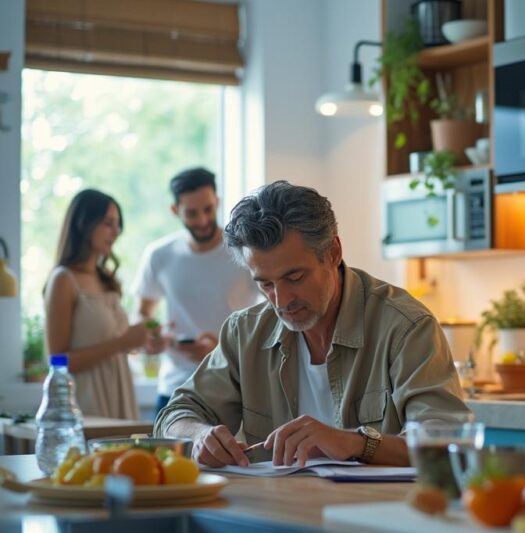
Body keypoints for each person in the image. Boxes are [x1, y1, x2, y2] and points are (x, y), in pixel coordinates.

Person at [154, 181, 469, 467]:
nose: (281, 300)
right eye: (265, 284)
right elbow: (173, 415)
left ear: (333, 252)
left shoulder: (405, 327)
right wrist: (199, 435)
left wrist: (355, 443)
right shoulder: (245, 333)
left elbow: (449, 444)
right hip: (278, 515)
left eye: (295, 277)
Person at [133, 167, 260, 419]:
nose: (202, 220)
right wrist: (153, 335)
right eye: (191, 213)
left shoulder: (246, 251)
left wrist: (222, 348)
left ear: (217, 202)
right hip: (173, 389)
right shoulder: (160, 254)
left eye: (208, 209)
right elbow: (141, 312)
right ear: (175, 210)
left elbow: (277, 311)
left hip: (235, 387)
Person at [44, 189, 144, 420]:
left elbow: (116, 343)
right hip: (85, 403)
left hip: (119, 395)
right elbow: (57, 361)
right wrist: (122, 343)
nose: (116, 232)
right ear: (84, 224)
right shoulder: (63, 280)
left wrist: (142, 340)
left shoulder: (106, 280)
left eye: (118, 224)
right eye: (108, 223)